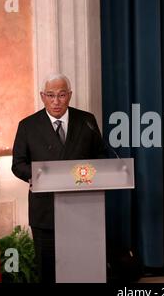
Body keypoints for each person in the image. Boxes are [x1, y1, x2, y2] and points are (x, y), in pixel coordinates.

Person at [12, 73, 107, 282]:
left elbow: (101, 157)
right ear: (42, 96)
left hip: (82, 208)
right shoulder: (28, 125)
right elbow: (18, 165)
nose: (56, 101)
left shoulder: (87, 121)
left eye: (61, 95)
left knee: (82, 266)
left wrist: (88, 174)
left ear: (70, 95)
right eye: (50, 95)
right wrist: (38, 176)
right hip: (45, 210)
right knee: (48, 269)